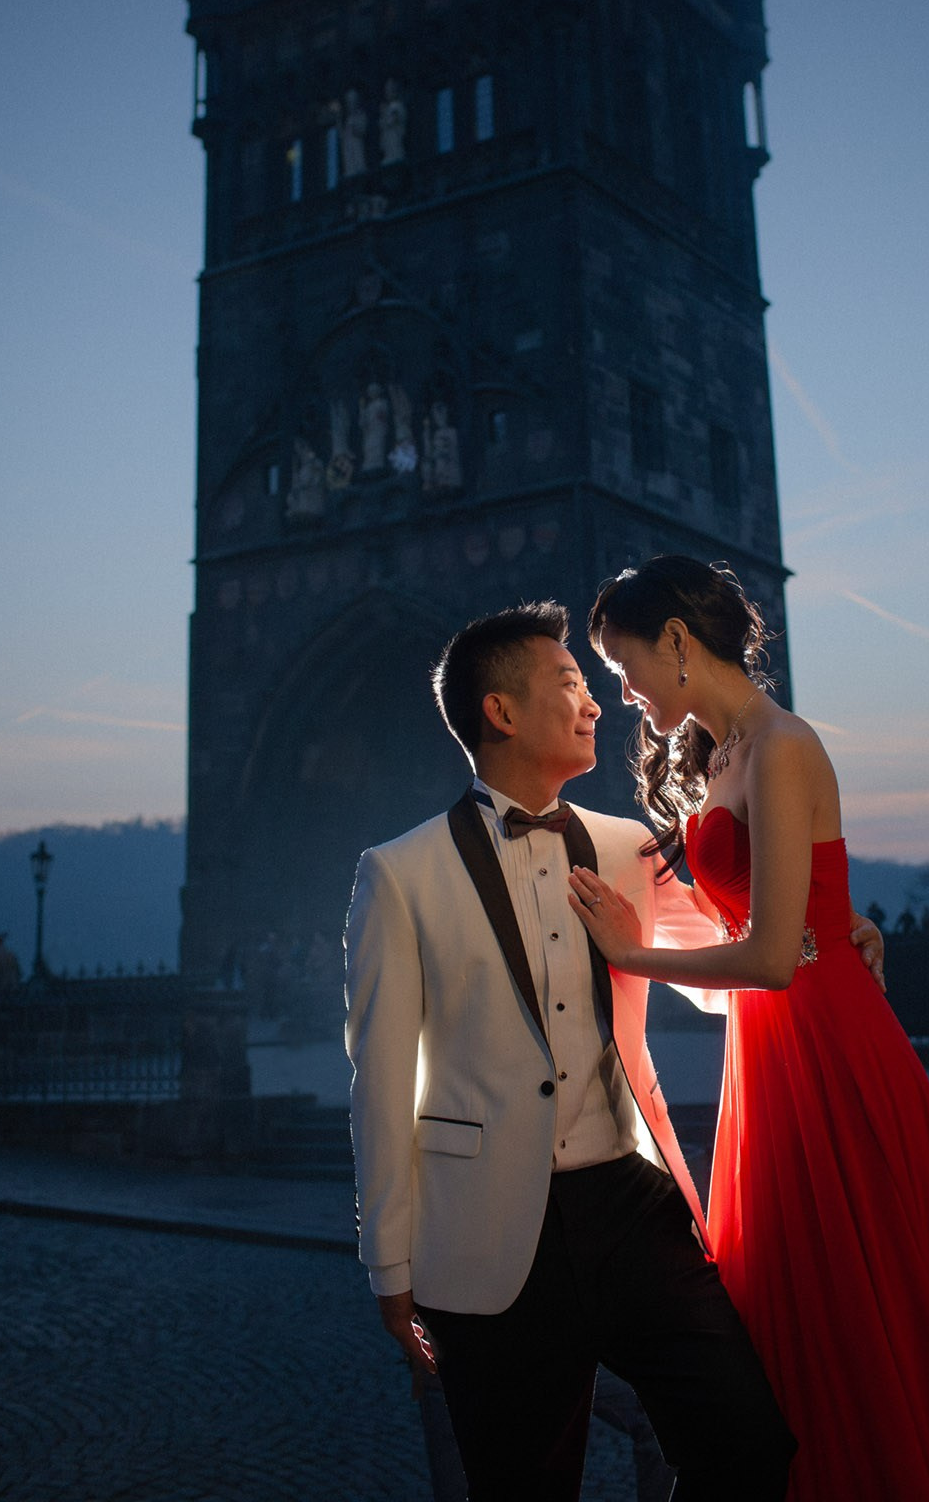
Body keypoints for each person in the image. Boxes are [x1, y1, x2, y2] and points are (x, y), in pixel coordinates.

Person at [344, 602, 884, 1502]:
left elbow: (720, 971)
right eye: (568, 683)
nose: (596, 702)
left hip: (631, 1203)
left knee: (748, 1446)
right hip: (482, 1227)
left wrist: (816, 933)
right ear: (500, 712)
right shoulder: (399, 873)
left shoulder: (632, 846)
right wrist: (387, 1264)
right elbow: (381, 1082)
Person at [569, 556, 929, 1502]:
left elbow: (764, 957)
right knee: (806, 1303)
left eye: (622, 661)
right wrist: (831, 928)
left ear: (675, 639)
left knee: (861, 1299)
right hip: (777, 1045)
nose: (619, 688)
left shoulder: (781, 744)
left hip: (827, 1046)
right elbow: (776, 929)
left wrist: (634, 956)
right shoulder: (723, 757)